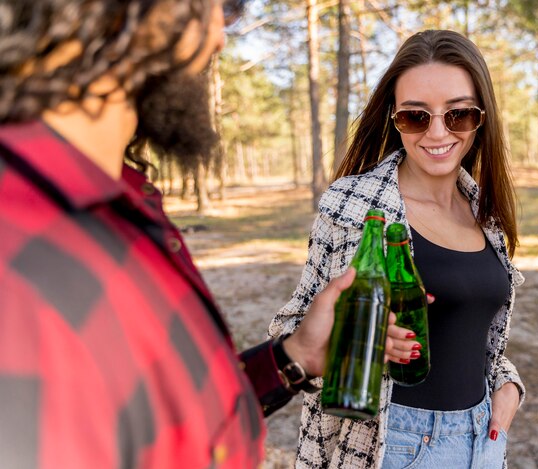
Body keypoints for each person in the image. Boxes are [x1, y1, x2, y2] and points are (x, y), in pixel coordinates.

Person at [0, 1, 419, 468]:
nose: (222, 34)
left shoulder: (121, 200)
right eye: (221, 5)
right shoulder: (19, 257)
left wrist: (292, 358)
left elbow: (173, 417)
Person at [269, 29, 526, 469]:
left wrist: (508, 384)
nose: (439, 132)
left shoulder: (486, 212)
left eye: (458, 114)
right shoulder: (352, 206)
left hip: (482, 440)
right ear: (393, 118)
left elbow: (478, 335)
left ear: (481, 117)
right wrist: (352, 338)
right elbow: (290, 332)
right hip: (393, 445)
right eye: (416, 116)